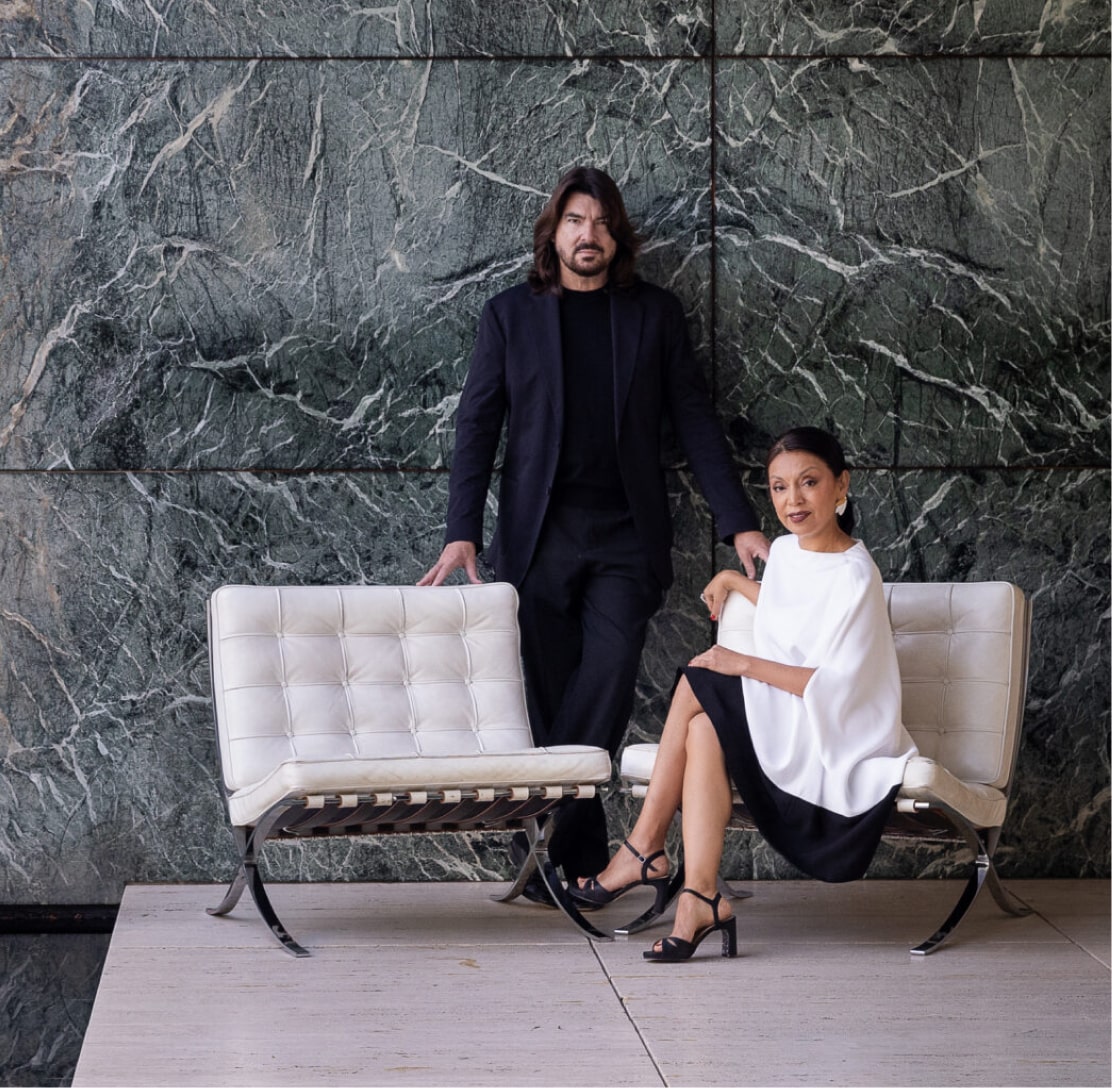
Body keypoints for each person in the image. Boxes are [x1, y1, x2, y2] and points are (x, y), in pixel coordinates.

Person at [418, 166, 769, 894]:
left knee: (604, 685)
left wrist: (738, 523)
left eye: (603, 223)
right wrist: (462, 530)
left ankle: (556, 847)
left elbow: (695, 420)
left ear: (618, 238)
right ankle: (577, 868)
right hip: (537, 539)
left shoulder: (654, 315)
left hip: (625, 540)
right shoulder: (509, 316)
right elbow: (477, 425)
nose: (590, 235)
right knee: (551, 700)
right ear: (553, 233)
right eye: (576, 221)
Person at [569, 426, 918, 960]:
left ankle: (643, 848)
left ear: (841, 485)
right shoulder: (788, 551)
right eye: (779, 487)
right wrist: (734, 579)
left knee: (699, 678)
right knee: (703, 728)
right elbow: (794, 611)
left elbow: (835, 685)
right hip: (788, 714)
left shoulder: (856, 575)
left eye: (809, 482)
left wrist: (742, 664)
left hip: (832, 731)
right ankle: (699, 899)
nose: (793, 500)